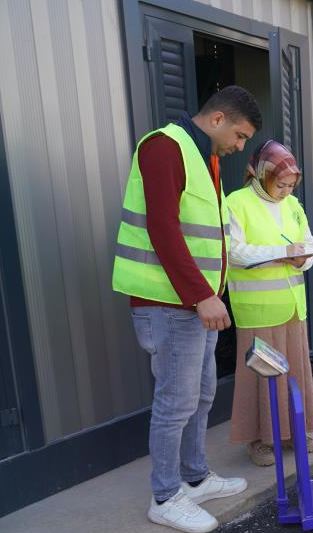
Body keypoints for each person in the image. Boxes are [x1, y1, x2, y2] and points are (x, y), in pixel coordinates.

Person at [112, 86, 262, 533]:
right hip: (170, 305)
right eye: (239, 136)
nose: (240, 147)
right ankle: (165, 496)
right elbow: (163, 230)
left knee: (200, 396)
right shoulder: (165, 147)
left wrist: (206, 296)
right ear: (217, 119)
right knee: (175, 403)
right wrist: (202, 295)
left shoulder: (203, 157)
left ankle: (194, 477)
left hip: (195, 305)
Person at [226, 140, 313, 466]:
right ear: (261, 175)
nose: (285, 191)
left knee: (294, 368)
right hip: (257, 308)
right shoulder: (236, 202)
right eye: (280, 184)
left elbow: (308, 243)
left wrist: (300, 260)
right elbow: (233, 252)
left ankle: (294, 430)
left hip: (293, 304)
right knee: (261, 373)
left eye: (291, 185)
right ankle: (260, 440)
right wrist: (282, 253)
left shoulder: (292, 204)